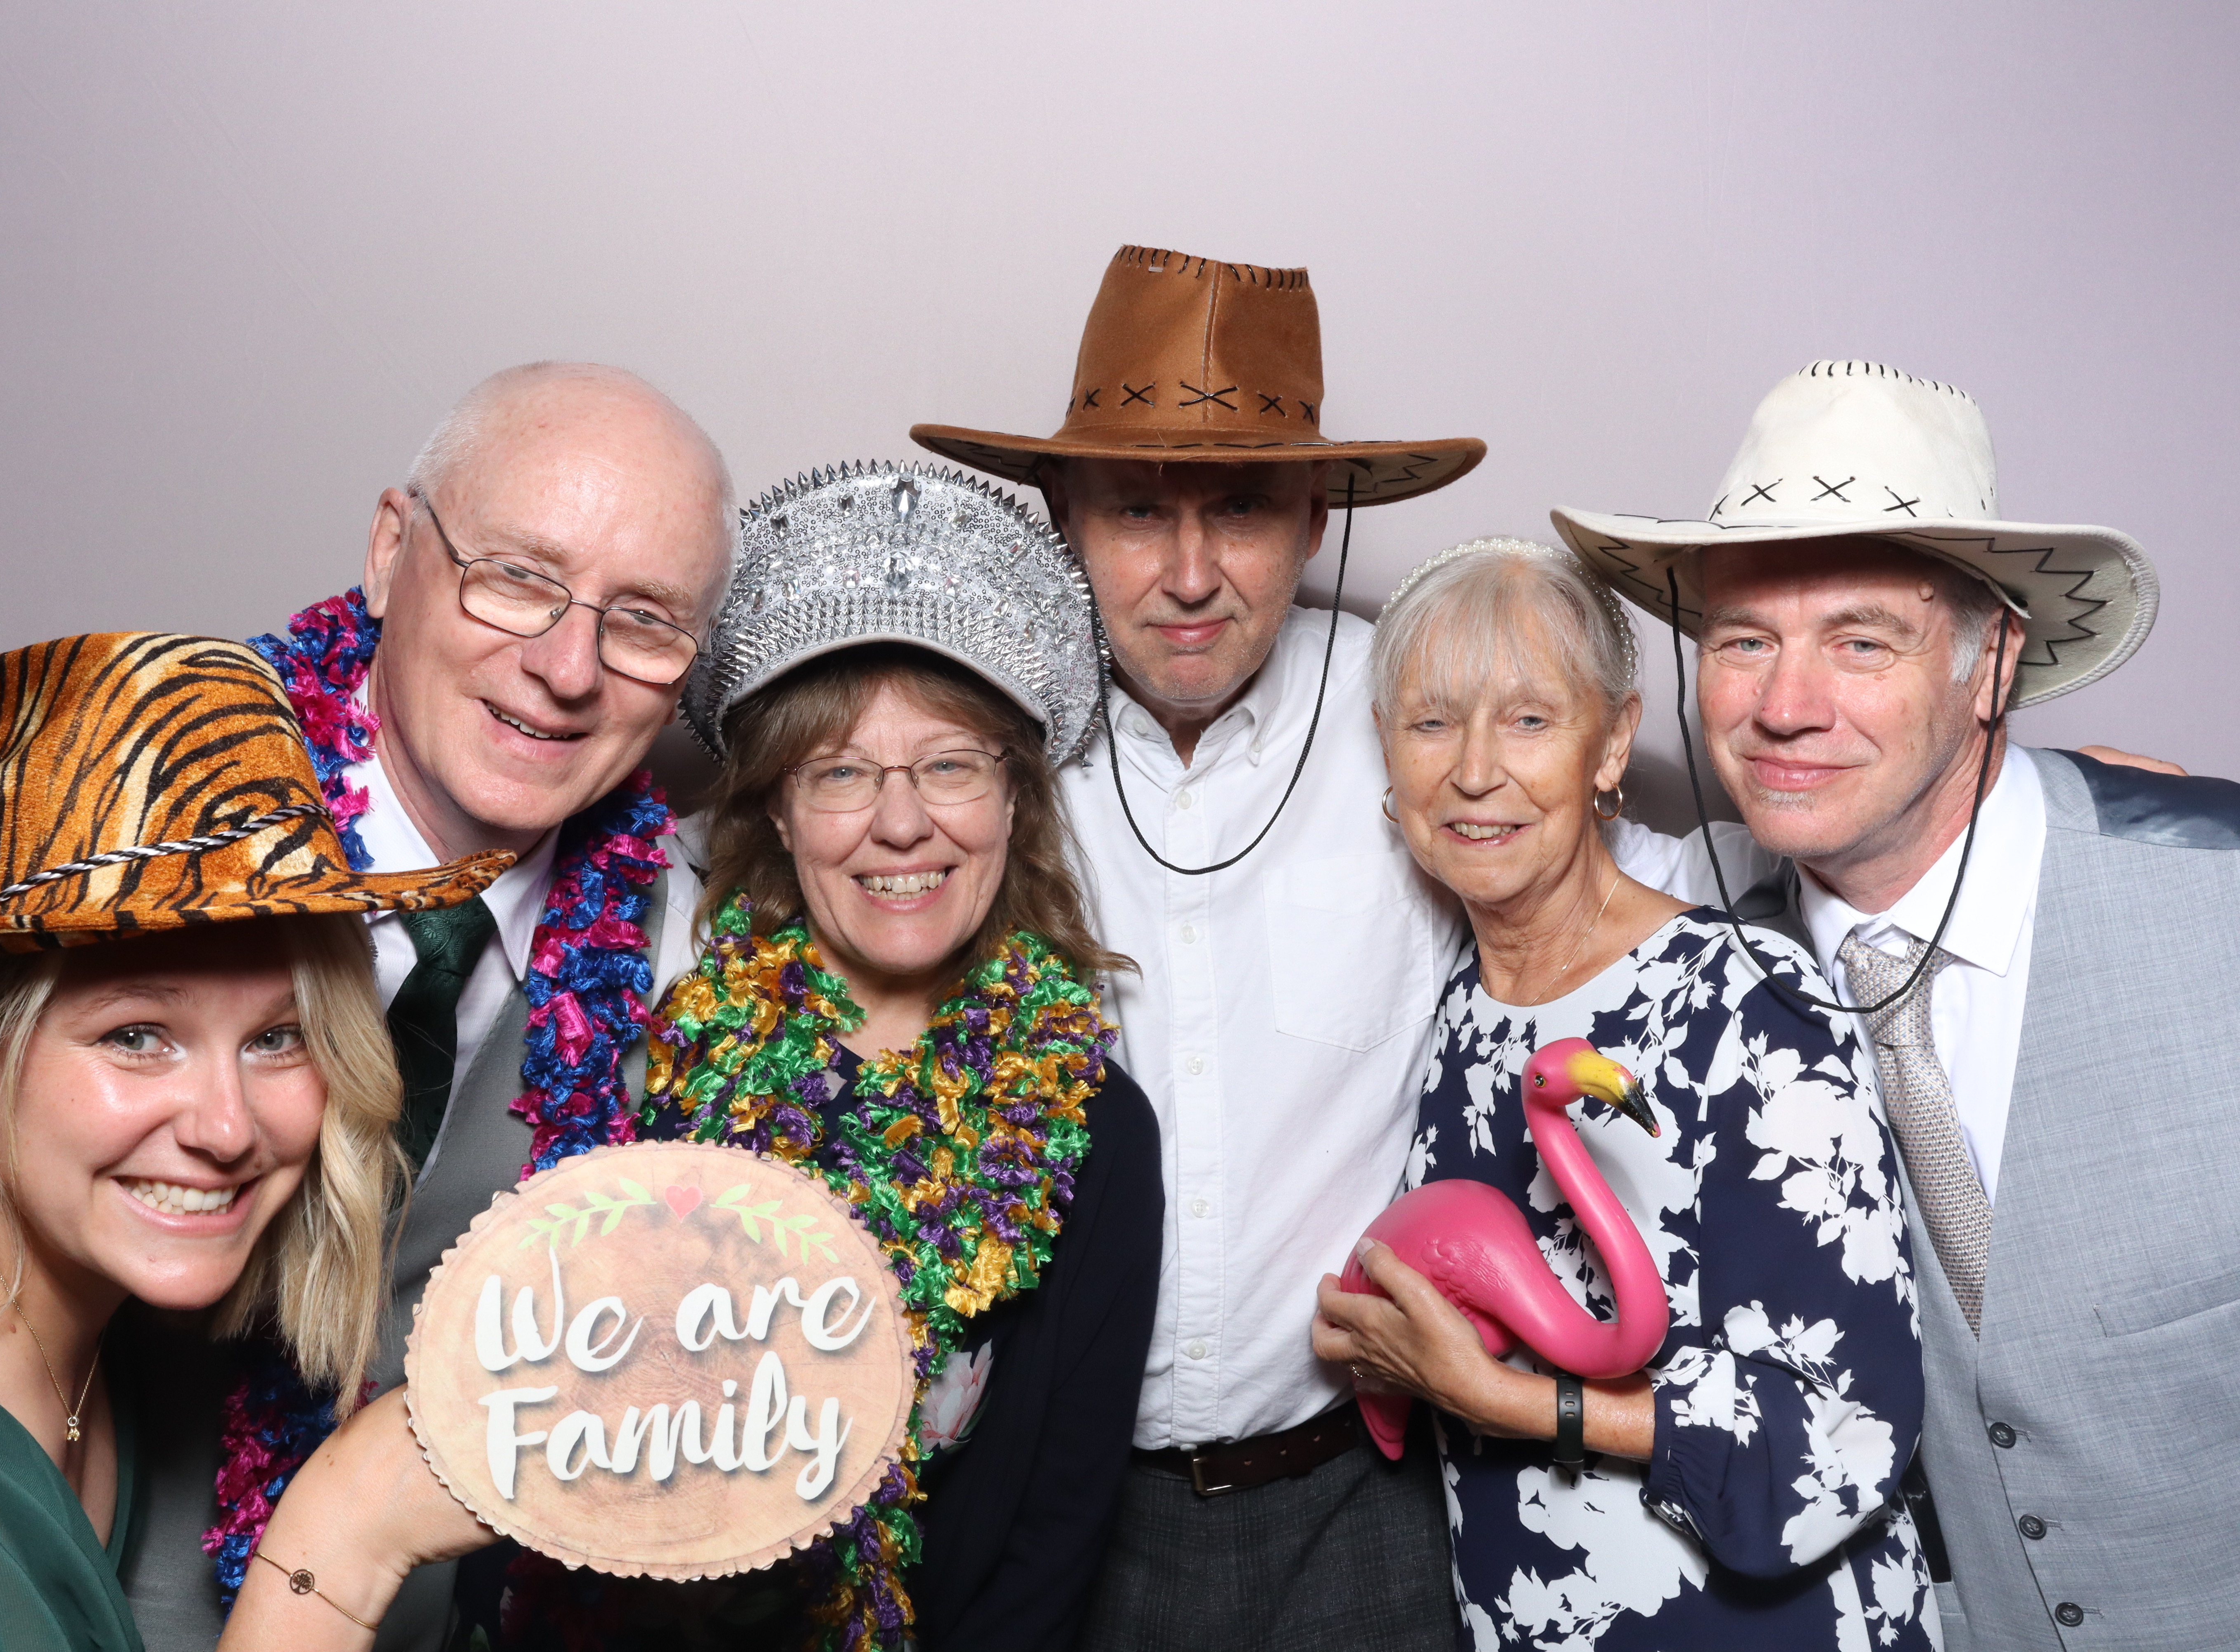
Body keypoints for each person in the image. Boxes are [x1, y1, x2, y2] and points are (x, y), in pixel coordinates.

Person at [911, 246, 1769, 1650]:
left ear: (1316, 515)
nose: (1190, 574)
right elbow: (794, 880)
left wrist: (1953, 808)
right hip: (1067, 1510)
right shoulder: (976, 744)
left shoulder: (1420, 707)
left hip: (1356, 1501)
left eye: (1240, 509)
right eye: (1136, 510)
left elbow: (1648, 891)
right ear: (1064, 515)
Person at [0, 363, 734, 1650]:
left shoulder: (687, 947)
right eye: (517, 577)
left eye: (643, 620)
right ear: (388, 551)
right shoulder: (102, 791)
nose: (567, 665)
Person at [217, 462, 1165, 1651]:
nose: (903, 822)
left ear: (1015, 801)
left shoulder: (1095, 1126)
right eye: (842, 774)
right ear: (774, 810)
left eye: (951, 766)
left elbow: (1056, 1540)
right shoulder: (641, 1056)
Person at [1554, 360, 2240, 1650]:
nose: (1784, 707)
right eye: (1744, 641)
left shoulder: (2218, 905)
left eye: (1863, 642)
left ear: (1991, 670)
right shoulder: (1703, 978)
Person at [0, 631, 505, 1651]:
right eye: (138, 1036)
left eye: (279, 1037)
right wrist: (346, 1539)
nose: (229, 1127)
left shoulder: (57, 1286)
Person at [1308, 540, 1933, 1647]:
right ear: (1387, 756)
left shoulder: (1746, 1001)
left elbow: (1849, 1432)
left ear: (1611, 745)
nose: (1474, 772)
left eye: (1531, 720)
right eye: (1433, 722)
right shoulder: (1446, 1011)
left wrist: (1512, 1405)